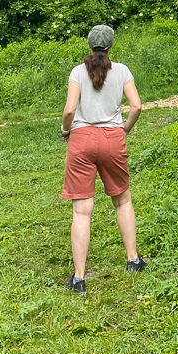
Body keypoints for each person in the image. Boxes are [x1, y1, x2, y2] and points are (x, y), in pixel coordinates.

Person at [60, 23, 146, 292]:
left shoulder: (77, 72)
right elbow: (136, 105)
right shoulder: (121, 71)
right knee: (122, 201)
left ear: (90, 45)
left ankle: (79, 278)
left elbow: (69, 110)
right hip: (112, 138)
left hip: (82, 140)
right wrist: (123, 131)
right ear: (110, 46)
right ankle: (133, 259)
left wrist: (65, 131)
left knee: (81, 211)